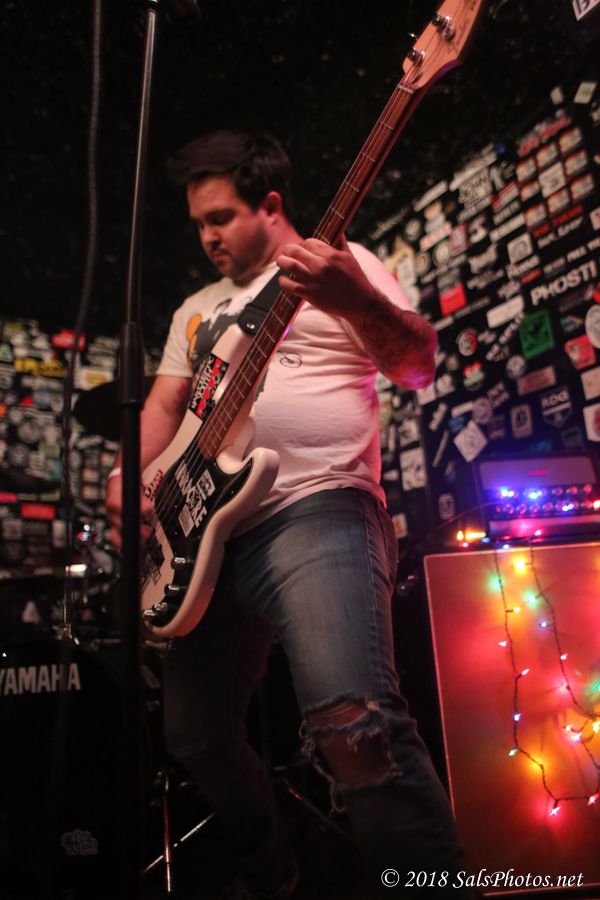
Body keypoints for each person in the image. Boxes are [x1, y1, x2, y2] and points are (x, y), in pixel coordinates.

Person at [106, 130, 472, 899]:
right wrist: (127, 478)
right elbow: (165, 405)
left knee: (353, 721)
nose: (206, 238)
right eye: (198, 223)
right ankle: (272, 872)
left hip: (318, 505)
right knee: (194, 735)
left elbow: (415, 365)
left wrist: (354, 299)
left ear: (270, 205)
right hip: (203, 536)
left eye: (220, 218)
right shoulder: (196, 310)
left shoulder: (346, 261)